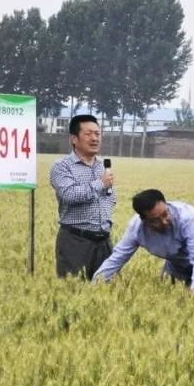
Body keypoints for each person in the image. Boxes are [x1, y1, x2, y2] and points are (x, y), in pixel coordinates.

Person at [94, 189, 194, 292]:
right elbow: (117, 258)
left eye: (166, 214)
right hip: (176, 260)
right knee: (166, 293)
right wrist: (94, 286)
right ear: (143, 220)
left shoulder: (186, 219)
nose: (164, 221)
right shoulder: (136, 228)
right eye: (156, 220)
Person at [50, 114, 116, 279]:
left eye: (97, 134)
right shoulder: (62, 167)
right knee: (73, 294)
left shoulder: (103, 166)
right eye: (89, 134)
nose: (95, 138)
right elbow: (69, 195)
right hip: (75, 242)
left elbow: (110, 199)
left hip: (104, 243)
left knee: (106, 296)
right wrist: (100, 184)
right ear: (74, 138)